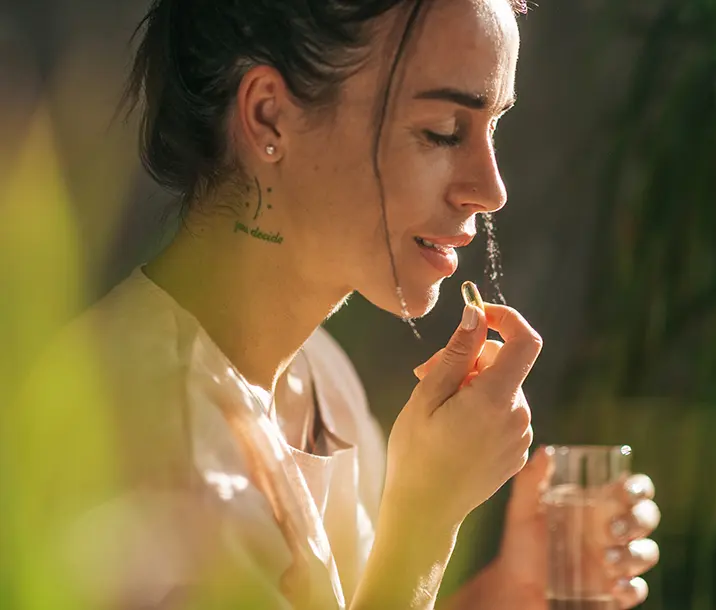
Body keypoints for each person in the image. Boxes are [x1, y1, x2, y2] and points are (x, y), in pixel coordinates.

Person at [20, 0, 660, 608]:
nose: (490, 189)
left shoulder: (319, 378)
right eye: (442, 132)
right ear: (269, 116)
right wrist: (428, 517)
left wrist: (507, 593)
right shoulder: (143, 446)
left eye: (493, 127)